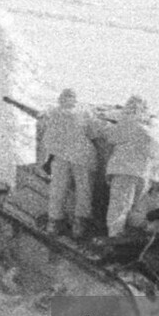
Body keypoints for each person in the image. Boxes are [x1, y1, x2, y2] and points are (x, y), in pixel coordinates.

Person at [93, 95, 159, 238]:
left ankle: (114, 236)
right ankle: (141, 231)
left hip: (124, 171)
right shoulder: (154, 129)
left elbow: (109, 136)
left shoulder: (127, 123)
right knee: (132, 208)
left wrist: (101, 121)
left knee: (119, 207)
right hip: (144, 174)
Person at [39, 88, 100, 239]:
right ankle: (79, 225)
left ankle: (54, 222)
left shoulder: (52, 112)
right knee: (83, 189)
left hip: (60, 156)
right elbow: (94, 133)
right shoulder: (84, 112)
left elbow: (43, 127)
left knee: (58, 189)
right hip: (82, 156)